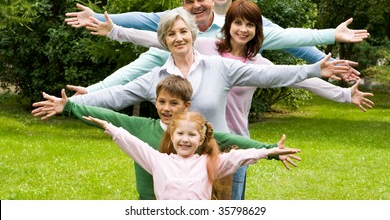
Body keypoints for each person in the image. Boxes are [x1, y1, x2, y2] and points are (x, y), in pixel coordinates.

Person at [84, 0, 375, 199]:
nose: (243, 30)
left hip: (224, 149)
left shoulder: (231, 64)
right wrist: (115, 33)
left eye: (185, 32)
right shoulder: (190, 57)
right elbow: (145, 55)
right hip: (174, 160)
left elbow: (282, 71)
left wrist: (323, 68)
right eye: (237, 24)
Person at [64, 0, 368, 94]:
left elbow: (287, 39)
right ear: (182, 4)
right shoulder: (176, 32)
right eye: (188, 2)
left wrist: (332, 37)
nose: (196, 6)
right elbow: (139, 46)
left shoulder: (237, 29)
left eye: (202, 0)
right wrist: (95, 90)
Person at [32, 75, 301, 200]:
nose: (166, 108)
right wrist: (68, 107)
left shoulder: (197, 133)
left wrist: (270, 150)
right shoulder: (140, 127)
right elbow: (108, 119)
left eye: (173, 103)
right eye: (161, 101)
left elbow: (237, 144)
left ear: (186, 106)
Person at [81, 111, 301, 200]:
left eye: (191, 135)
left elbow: (240, 156)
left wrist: (270, 152)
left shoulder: (210, 163)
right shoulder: (158, 161)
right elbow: (133, 144)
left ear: (201, 138)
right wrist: (109, 127)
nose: (185, 140)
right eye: (180, 134)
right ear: (171, 135)